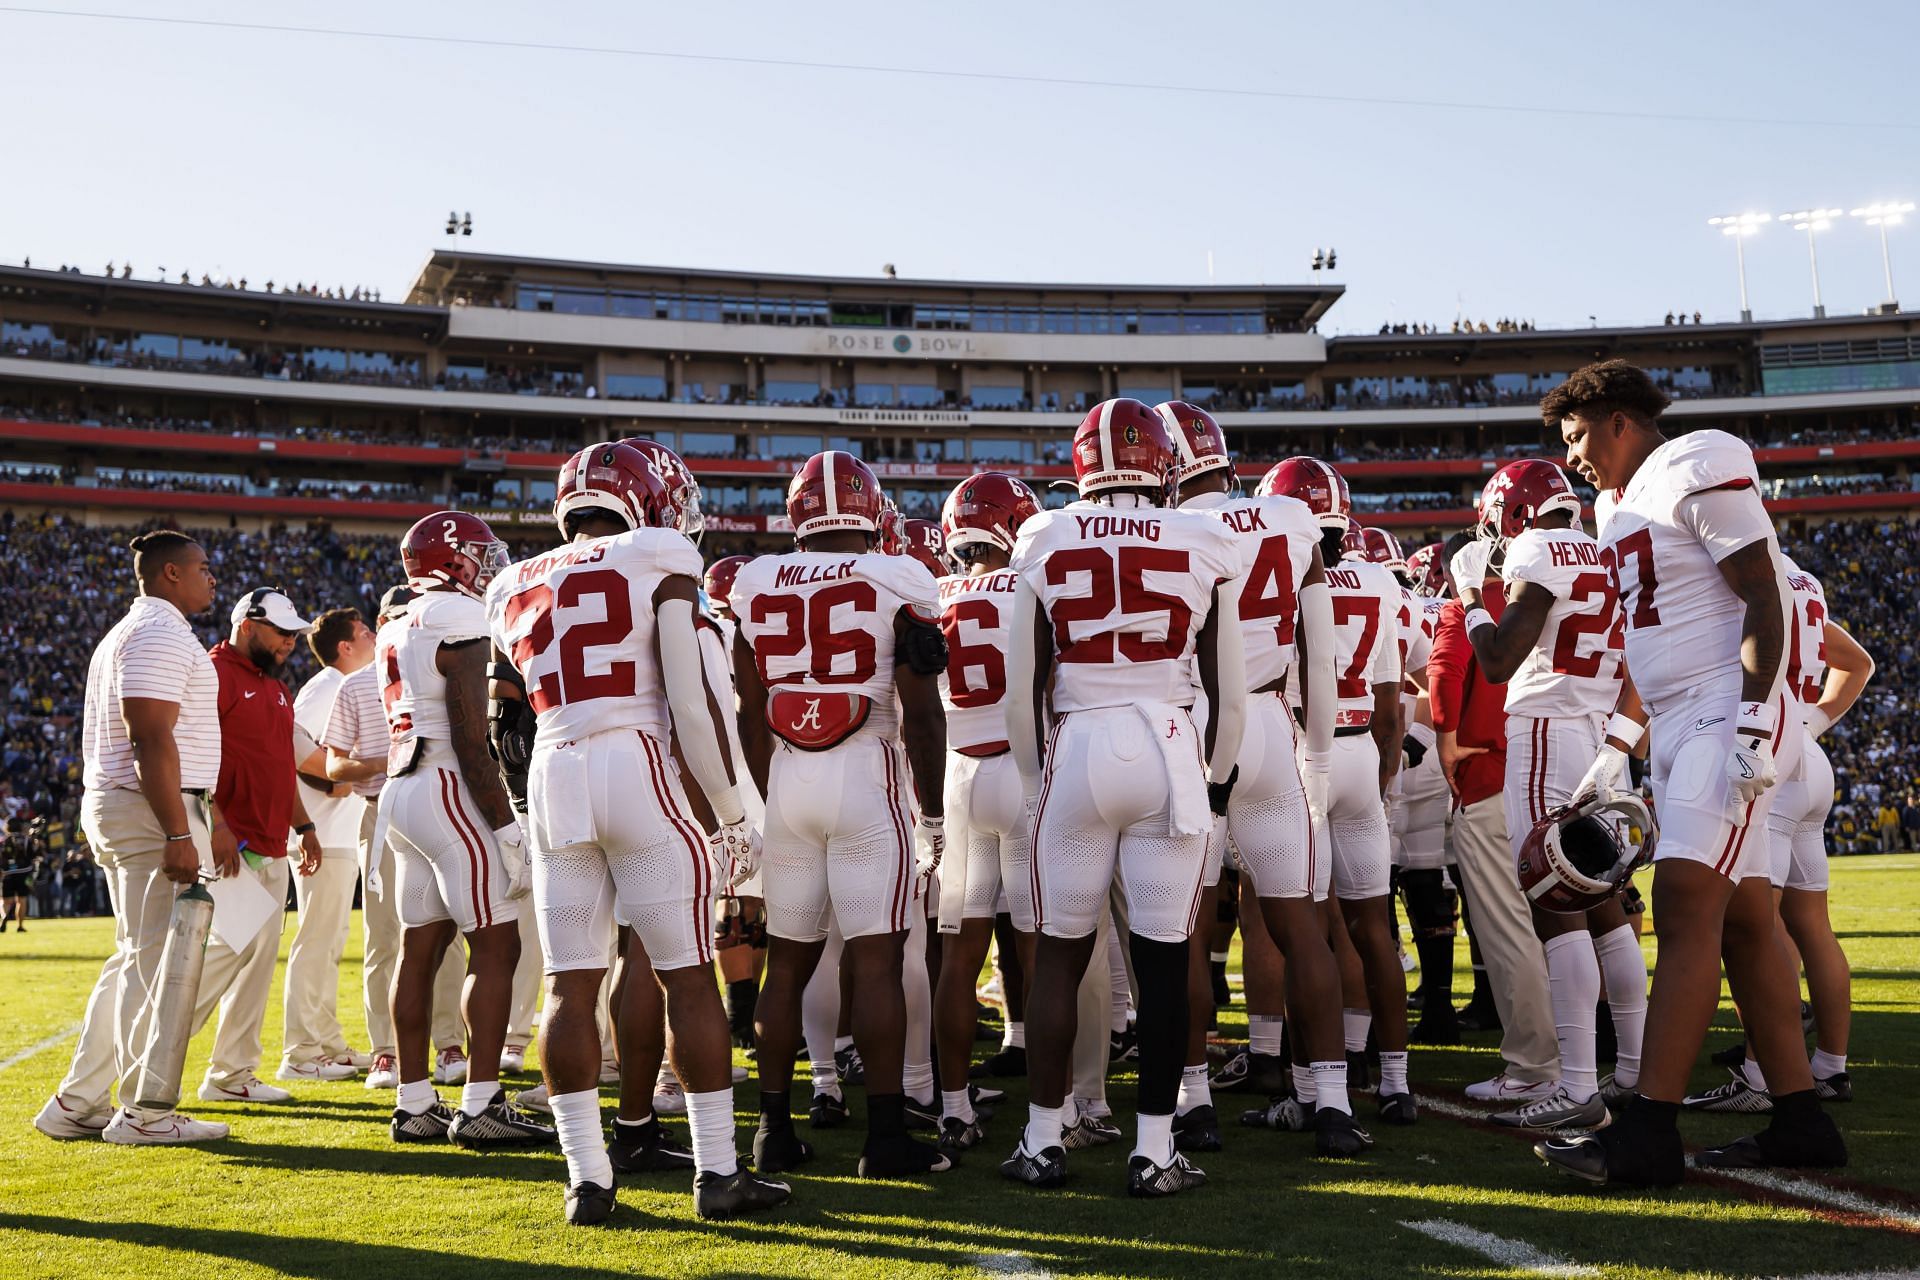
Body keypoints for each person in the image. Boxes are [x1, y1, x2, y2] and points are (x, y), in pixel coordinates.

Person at [1535, 358, 1844, 1185]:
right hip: (1675, 718)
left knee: (1683, 906)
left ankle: (1649, 1133)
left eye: (1577, 436)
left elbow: (1759, 596)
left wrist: (1751, 723)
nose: (1573, 457)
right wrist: (1618, 743)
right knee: (1744, 923)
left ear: (1618, 420)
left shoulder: (1694, 457)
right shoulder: (1615, 505)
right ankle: (1802, 1119)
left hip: (1726, 705)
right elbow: (1653, 638)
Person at [487, 440, 789, 1225]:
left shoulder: (510, 582)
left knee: (569, 982)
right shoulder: (658, 552)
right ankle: (720, 1173)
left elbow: (513, 717)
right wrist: (735, 812)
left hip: (553, 774)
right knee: (688, 975)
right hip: (636, 760)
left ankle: (588, 1184)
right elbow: (689, 700)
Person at [1000, 399, 1244, 1197]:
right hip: (1167, 743)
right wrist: (1212, 780)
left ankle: (1042, 1140)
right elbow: (1229, 694)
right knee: (1164, 961)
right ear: (1165, 462)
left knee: (1059, 957)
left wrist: (1041, 784)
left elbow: (1019, 689)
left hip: (1076, 740)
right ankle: (1153, 1150)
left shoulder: (1043, 534)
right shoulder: (1202, 534)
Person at [730, 450, 952, 1180]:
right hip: (867, 771)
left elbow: (750, 711)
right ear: (871, 510)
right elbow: (921, 715)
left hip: (791, 776)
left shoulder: (755, 582)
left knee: (787, 966)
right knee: (877, 960)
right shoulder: (898, 576)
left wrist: (768, 799)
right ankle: (885, 1137)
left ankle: (771, 1131)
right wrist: (933, 814)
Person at [1164, 422, 1365, 1157]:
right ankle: (1330, 1102)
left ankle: (1193, 1102)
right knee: (1300, 925)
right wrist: (1314, 758)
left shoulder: (1171, 526)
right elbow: (1319, 652)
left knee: (1181, 928)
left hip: (1194, 725)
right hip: (1276, 725)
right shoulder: (1288, 516)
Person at [1450, 460, 1648, 1130]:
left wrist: (1473, 597)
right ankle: (1632, 1072)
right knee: (1605, 908)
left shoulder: (1536, 548)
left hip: (1545, 730)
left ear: (1512, 513)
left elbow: (1499, 660)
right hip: (1598, 735)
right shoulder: (1607, 551)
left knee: (1554, 900)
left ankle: (1572, 1084)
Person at [34, 530, 231, 1145]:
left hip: (129, 806)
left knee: (132, 959)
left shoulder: (138, 629)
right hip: (152, 812)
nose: (212, 578)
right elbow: (150, 735)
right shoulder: (159, 632)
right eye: (202, 568)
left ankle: (77, 1102)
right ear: (170, 574)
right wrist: (178, 829)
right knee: (158, 963)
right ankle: (143, 1112)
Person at [378, 512, 555, 1151]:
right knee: (497, 947)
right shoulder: (458, 616)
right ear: (453, 560)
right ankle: (481, 1103)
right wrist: (506, 826)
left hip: (401, 791)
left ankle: (415, 1102)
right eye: (480, 554)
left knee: (418, 949)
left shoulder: (396, 620)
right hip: (449, 787)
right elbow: (469, 738)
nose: (489, 563)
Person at [1688, 553, 1873, 1111]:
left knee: (1755, 924)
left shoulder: (1744, 572)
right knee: (1812, 925)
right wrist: (1812, 724)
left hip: (1769, 752)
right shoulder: (1801, 578)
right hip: (1807, 757)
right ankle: (1831, 1068)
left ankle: (1758, 1074)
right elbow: (1857, 663)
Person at [928, 471, 1042, 1153]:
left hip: (959, 774)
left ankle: (951, 1104)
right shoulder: (1032, 586)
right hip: (1024, 770)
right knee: (1039, 946)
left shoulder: (930, 592)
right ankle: (1058, 1110)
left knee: (958, 953)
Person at [1429, 533, 1559, 1104]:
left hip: (1489, 782)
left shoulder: (1470, 605)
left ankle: (1534, 1064)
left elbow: (1444, 675)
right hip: (1548, 774)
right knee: (1567, 929)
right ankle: (1593, 1057)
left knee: (1507, 931)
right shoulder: (1545, 596)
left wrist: (1448, 745)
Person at [324, 585, 466, 1092]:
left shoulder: (446, 667)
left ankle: (449, 1042)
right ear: (383, 621)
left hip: (444, 805)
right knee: (384, 937)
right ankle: (385, 1051)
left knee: (449, 934)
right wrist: (390, 761)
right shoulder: (357, 685)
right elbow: (334, 765)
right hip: (381, 810)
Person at [192, 589, 326, 1105]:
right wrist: (217, 824)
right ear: (247, 625)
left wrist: (306, 827)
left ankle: (232, 1074)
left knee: (254, 967)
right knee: (214, 965)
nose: (291, 643)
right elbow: (191, 758)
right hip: (234, 845)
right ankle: (150, 1065)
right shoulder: (213, 675)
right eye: (282, 632)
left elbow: (279, 768)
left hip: (272, 845)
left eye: (295, 634)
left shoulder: (275, 689)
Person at [281, 606, 377, 1083]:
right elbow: (293, 746)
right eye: (365, 632)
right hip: (320, 832)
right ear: (345, 646)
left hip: (335, 831)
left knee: (329, 941)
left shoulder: (337, 686)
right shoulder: (328, 687)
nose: (374, 636)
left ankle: (327, 1043)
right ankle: (300, 1052)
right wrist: (335, 783)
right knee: (317, 941)